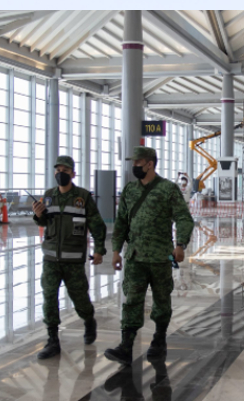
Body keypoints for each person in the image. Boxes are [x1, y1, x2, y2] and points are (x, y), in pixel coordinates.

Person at [104, 146, 196, 365]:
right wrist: (116, 251)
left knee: (161, 300)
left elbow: (184, 218)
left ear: (150, 164)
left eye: (137, 163)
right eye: (133, 163)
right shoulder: (129, 190)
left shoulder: (167, 189)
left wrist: (180, 244)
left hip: (159, 257)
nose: (134, 167)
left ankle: (159, 340)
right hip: (135, 257)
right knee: (132, 301)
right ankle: (126, 346)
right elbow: (122, 223)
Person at [31, 155, 107, 359]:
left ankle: (89, 321)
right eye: (57, 170)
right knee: (49, 298)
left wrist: (99, 249)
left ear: (73, 173)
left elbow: (96, 224)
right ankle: (52, 340)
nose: (60, 173)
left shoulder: (82, 197)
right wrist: (38, 215)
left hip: (73, 260)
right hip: (50, 259)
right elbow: (44, 223)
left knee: (80, 298)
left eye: (65, 170)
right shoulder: (48, 196)